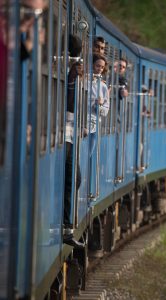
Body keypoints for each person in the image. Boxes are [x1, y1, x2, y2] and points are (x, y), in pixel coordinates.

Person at [63, 34, 84, 249]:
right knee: (72, 178)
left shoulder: (74, 70)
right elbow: (69, 102)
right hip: (63, 134)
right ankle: (65, 227)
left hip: (69, 133)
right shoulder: (68, 69)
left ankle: (67, 226)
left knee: (74, 178)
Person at [88, 53, 109, 156]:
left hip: (94, 125)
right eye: (97, 66)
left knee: (89, 154)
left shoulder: (103, 86)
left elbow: (106, 110)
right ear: (92, 65)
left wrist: (100, 106)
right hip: (82, 122)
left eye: (102, 67)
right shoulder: (83, 80)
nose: (99, 69)